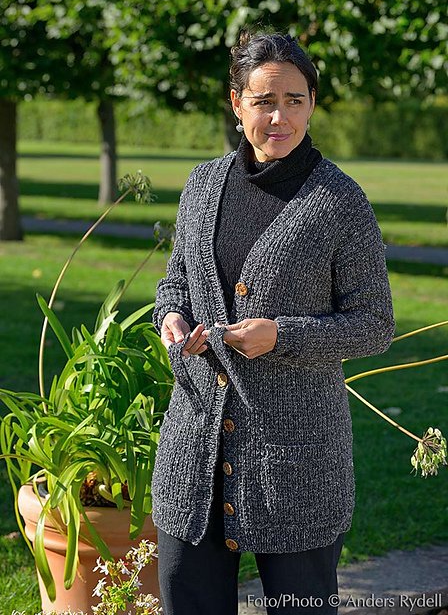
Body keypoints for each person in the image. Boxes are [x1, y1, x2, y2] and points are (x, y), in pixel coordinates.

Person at [151, 30, 395, 615]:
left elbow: (374, 323)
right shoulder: (202, 186)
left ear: (312, 104)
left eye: (294, 100)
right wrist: (172, 318)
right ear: (237, 104)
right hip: (193, 456)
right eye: (264, 101)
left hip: (297, 467)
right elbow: (175, 282)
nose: (279, 117)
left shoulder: (340, 202)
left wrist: (282, 336)